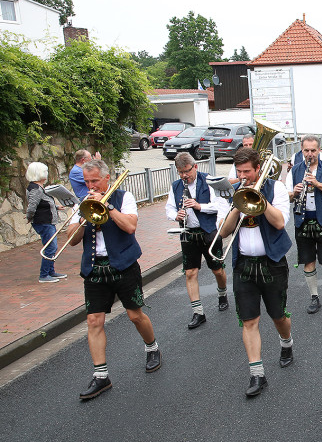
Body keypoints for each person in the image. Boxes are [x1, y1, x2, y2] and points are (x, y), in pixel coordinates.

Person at [67, 158, 161, 401]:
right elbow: (72, 240)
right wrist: (82, 217)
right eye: (87, 182)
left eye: (95, 181)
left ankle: (152, 347)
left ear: (107, 179)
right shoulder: (82, 203)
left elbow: (130, 227)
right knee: (93, 320)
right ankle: (101, 376)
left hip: (123, 266)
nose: (91, 186)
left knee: (135, 315)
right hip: (94, 270)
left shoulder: (124, 197)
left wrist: (107, 206)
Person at [219, 147, 293, 397]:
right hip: (244, 265)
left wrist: (260, 199)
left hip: (272, 263)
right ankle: (257, 374)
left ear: (257, 169)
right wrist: (238, 205)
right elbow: (224, 232)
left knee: (278, 315)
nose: (243, 176)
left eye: (247, 172)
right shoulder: (233, 192)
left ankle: (286, 342)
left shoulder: (276, 188)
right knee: (249, 320)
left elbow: (280, 222)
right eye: (239, 172)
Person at [165, 152, 229, 329]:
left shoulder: (208, 181)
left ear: (195, 166)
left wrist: (199, 206)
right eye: (180, 172)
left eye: (187, 171)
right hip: (188, 233)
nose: (185, 175)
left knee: (217, 270)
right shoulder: (176, 186)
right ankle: (198, 312)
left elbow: (221, 204)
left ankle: (222, 293)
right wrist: (175, 215)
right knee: (190, 273)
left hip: (209, 232)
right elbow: (169, 208)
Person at [287, 135, 322, 314]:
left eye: (313, 150)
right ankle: (314, 297)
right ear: (302, 151)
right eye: (306, 151)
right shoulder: (294, 170)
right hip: (302, 220)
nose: (309, 154)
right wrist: (293, 193)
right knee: (308, 261)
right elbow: (285, 197)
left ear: (319, 150)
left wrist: (317, 183)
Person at [26, 162, 66, 283]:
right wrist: (29, 217)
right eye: (45, 172)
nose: (47, 174)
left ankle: (50, 271)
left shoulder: (39, 187)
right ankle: (44, 275)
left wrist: (56, 207)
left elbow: (43, 203)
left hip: (47, 221)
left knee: (51, 247)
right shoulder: (35, 189)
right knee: (50, 247)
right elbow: (32, 205)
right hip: (43, 222)